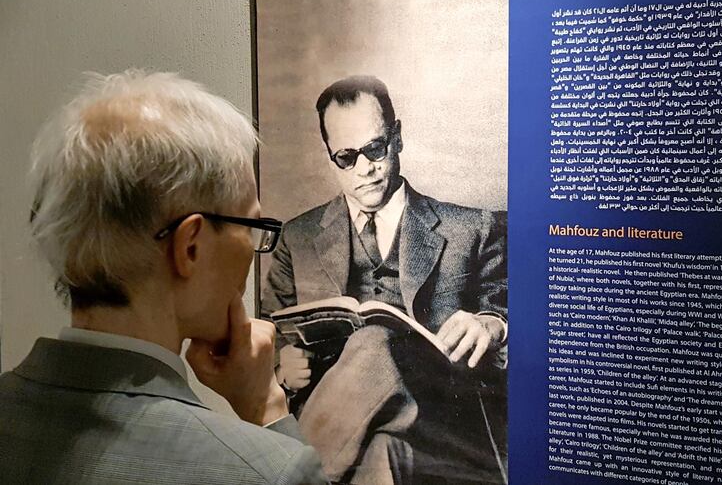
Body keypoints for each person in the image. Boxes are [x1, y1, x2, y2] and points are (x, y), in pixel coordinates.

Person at [0, 71, 328, 484]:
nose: (254, 248)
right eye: (252, 227)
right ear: (190, 246)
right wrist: (265, 406)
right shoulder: (266, 472)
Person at [262, 75, 508, 484]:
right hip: (363, 444)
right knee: (382, 453)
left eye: (375, 148)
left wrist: (490, 325)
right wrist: (282, 368)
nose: (366, 168)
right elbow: (269, 334)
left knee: (374, 340)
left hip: (445, 422)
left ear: (397, 137)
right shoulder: (297, 238)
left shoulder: (474, 228)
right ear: (330, 158)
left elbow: (517, 313)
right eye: (346, 157)